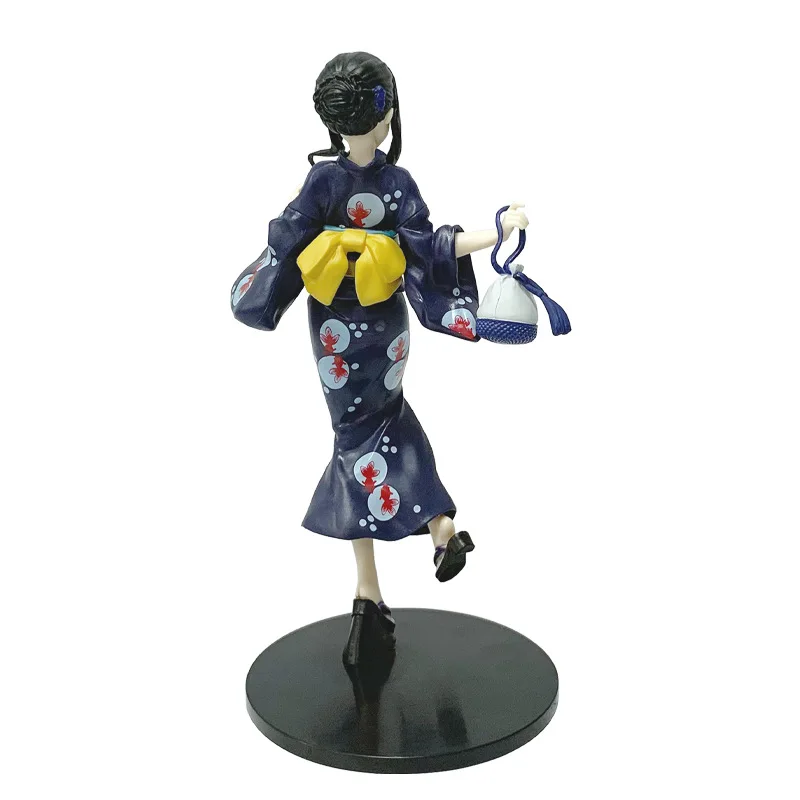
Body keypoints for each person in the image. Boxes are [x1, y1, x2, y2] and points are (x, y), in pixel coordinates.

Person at [231, 52, 528, 664]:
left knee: (354, 436)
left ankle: (369, 593)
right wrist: (495, 234)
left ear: (331, 118)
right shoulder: (398, 183)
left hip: (333, 333)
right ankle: (436, 528)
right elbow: (432, 247)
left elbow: (285, 238)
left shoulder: (321, 182)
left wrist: (305, 230)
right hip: (384, 326)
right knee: (385, 418)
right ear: (387, 113)